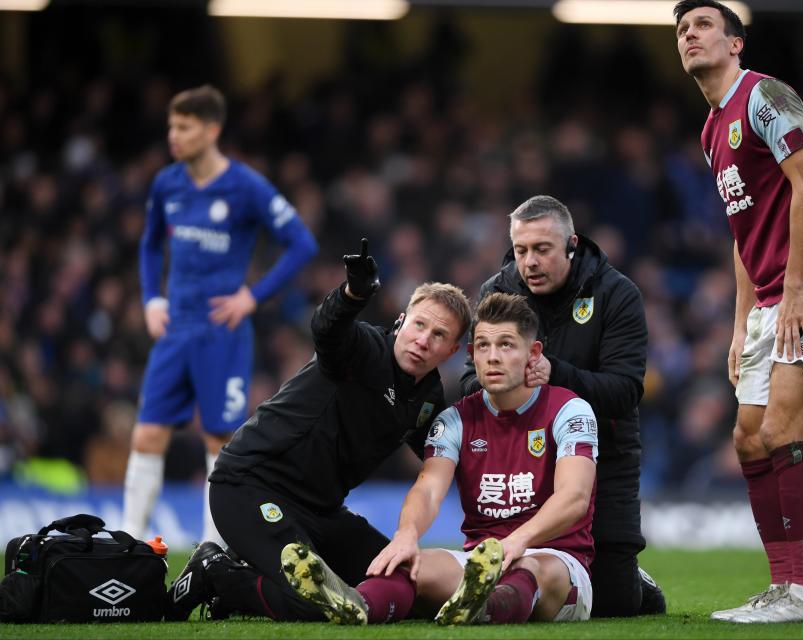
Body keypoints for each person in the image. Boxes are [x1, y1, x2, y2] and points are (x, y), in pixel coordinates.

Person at [674, 0, 803, 623]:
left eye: (702, 25)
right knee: (748, 440)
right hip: (769, 298)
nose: (689, 35)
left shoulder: (766, 96)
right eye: (681, 30)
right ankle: (782, 588)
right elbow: (743, 233)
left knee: (784, 432)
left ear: (735, 43)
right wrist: (739, 325)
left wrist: (790, 293)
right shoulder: (711, 132)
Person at [164, 238, 472, 622]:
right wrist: (353, 294)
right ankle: (218, 574)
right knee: (319, 600)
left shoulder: (427, 399)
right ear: (401, 321)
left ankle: (240, 586)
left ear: (453, 351)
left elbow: (451, 461)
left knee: (397, 581)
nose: (423, 340)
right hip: (250, 486)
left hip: (321, 513)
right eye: (419, 324)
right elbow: (327, 329)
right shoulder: (362, 350)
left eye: (439, 335)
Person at [281, 292, 598, 626]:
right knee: (409, 565)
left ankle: (485, 608)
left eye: (506, 345)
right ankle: (356, 604)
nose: (493, 357)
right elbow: (429, 488)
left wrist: (516, 541)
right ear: (471, 354)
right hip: (480, 563)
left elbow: (573, 498)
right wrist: (406, 535)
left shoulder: (568, 410)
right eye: (484, 347)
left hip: (559, 566)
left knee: (527, 567)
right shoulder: (454, 421)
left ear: (532, 353)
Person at [122, 85, 318, 547]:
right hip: (175, 329)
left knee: (219, 440)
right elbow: (150, 243)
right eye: (172, 126)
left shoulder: (245, 186)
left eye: (184, 126)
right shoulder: (167, 183)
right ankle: (129, 541)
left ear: (211, 130)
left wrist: (253, 296)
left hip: (221, 333)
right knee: (147, 433)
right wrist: (152, 298)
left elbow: (301, 243)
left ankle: (215, 547)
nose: (174, 135)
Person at [460, 195, 664, 617]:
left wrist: (557, 375)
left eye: (542, 249)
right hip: (520, 460)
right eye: (521, 251)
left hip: (604, 456)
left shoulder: (617, 294)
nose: (529, 262)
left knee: (613, 603)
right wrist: (509, 383)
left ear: (571, 244)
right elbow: (468, 380)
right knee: (519, 568)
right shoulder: (497, 291)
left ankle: (632, 579)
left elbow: (625, 392)